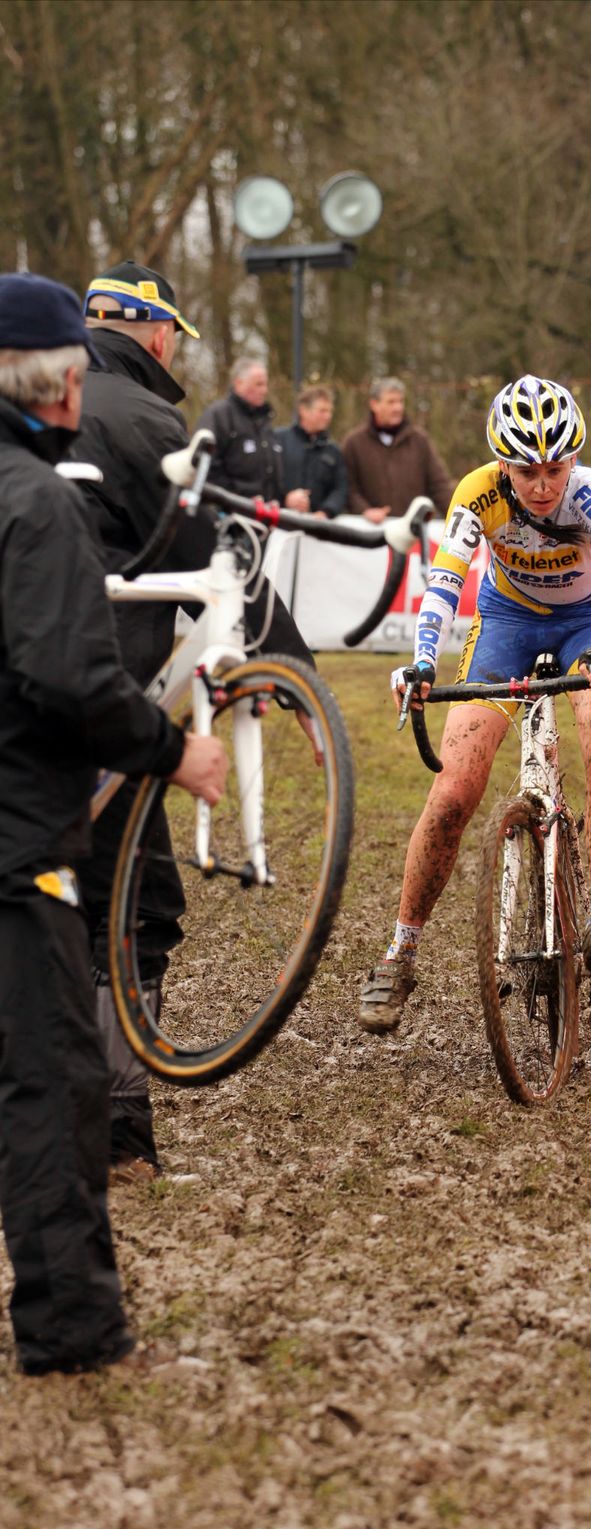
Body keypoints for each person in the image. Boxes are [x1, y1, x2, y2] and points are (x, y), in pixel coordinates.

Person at [0, 271, 226, 1375]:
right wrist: (173, 749)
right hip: (22, 839)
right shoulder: (36, 501)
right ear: (55, 385)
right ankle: (74, 1332)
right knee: (53, 1082)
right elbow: (69, 677)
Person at [74, 260, 316, 1182]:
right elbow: (221, 566)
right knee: (136, 909)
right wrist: (295, 678)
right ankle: (115, 1132)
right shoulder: (148, 423)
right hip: (95, 710)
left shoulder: (30, 400)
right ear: (159, 333)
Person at [358, 374, 591, 1034]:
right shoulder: (478, 494)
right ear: (501, 464)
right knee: (456, 788)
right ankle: (400, 952)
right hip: (507, 623)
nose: (542, 484)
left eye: (554, 468)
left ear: (573, 460)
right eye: (525, 470)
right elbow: (442, 584)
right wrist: (425, 659)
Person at [342, 375, 453, 525]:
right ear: (374, 404)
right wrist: (364, 510)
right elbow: (347, 486)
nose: (398, 408)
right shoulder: (354, 443)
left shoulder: (419, 441)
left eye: (400, 401)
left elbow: (439, 486)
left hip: (413, 536)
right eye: (391, 402)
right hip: (370, 536)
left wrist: (457, 518)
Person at [197, 357, 308, 505]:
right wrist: (238, 499)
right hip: (230, 514)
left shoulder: (265, 422)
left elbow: (270, 475)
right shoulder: (219, 416)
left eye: (265, 384)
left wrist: (285, 498)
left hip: (263, 516)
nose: (264, 390)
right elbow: (205, 467)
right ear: (238, 382)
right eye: (259, 384)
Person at [276, 384, 348, 517]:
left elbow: (340, 488)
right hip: (281, 522)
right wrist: (286, 498)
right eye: (322, 411)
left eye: (330, 411)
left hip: (318, 527)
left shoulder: (333, 451)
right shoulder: (278, 441)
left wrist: (326, 511)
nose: (328, 416)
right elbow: (266, 478)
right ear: (303, 410)